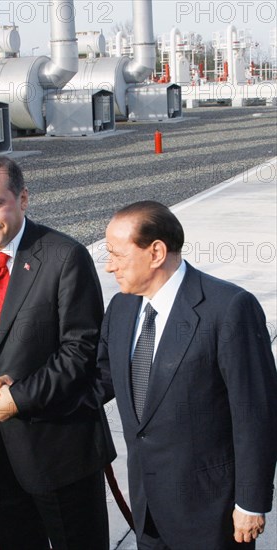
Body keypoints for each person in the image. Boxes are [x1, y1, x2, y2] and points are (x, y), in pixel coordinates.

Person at [0, 156, 115, 550]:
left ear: (23, 199)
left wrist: (17, 398)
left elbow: (81, 351)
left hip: (61, 449)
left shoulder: (64, 257)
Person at [96, 200, 277, 550]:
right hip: (147, 510)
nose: (109, 266)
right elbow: (100, 379)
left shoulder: (228, 309)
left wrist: (251, 502)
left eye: (117, 254)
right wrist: (21, 393)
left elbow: (255, 413)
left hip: (211, 514)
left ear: (156, 252)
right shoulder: (121, 307)